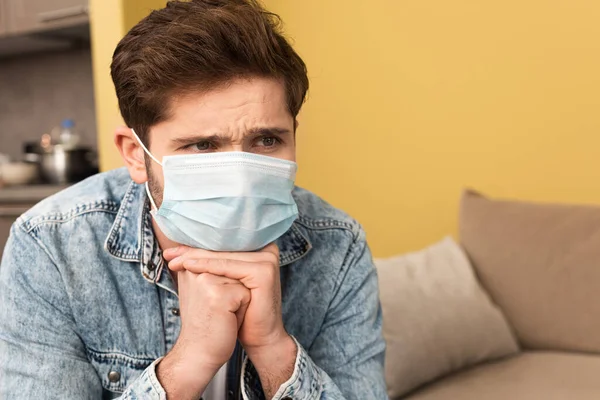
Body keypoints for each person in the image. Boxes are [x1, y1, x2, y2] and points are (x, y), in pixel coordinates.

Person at [0, 1, 387, 399]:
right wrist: (187, 364)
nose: (240, 177)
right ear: (135, 153)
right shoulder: (51, 247)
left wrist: (274, 351)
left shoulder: (339, 246)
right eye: (202, 145)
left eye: (267, 140)